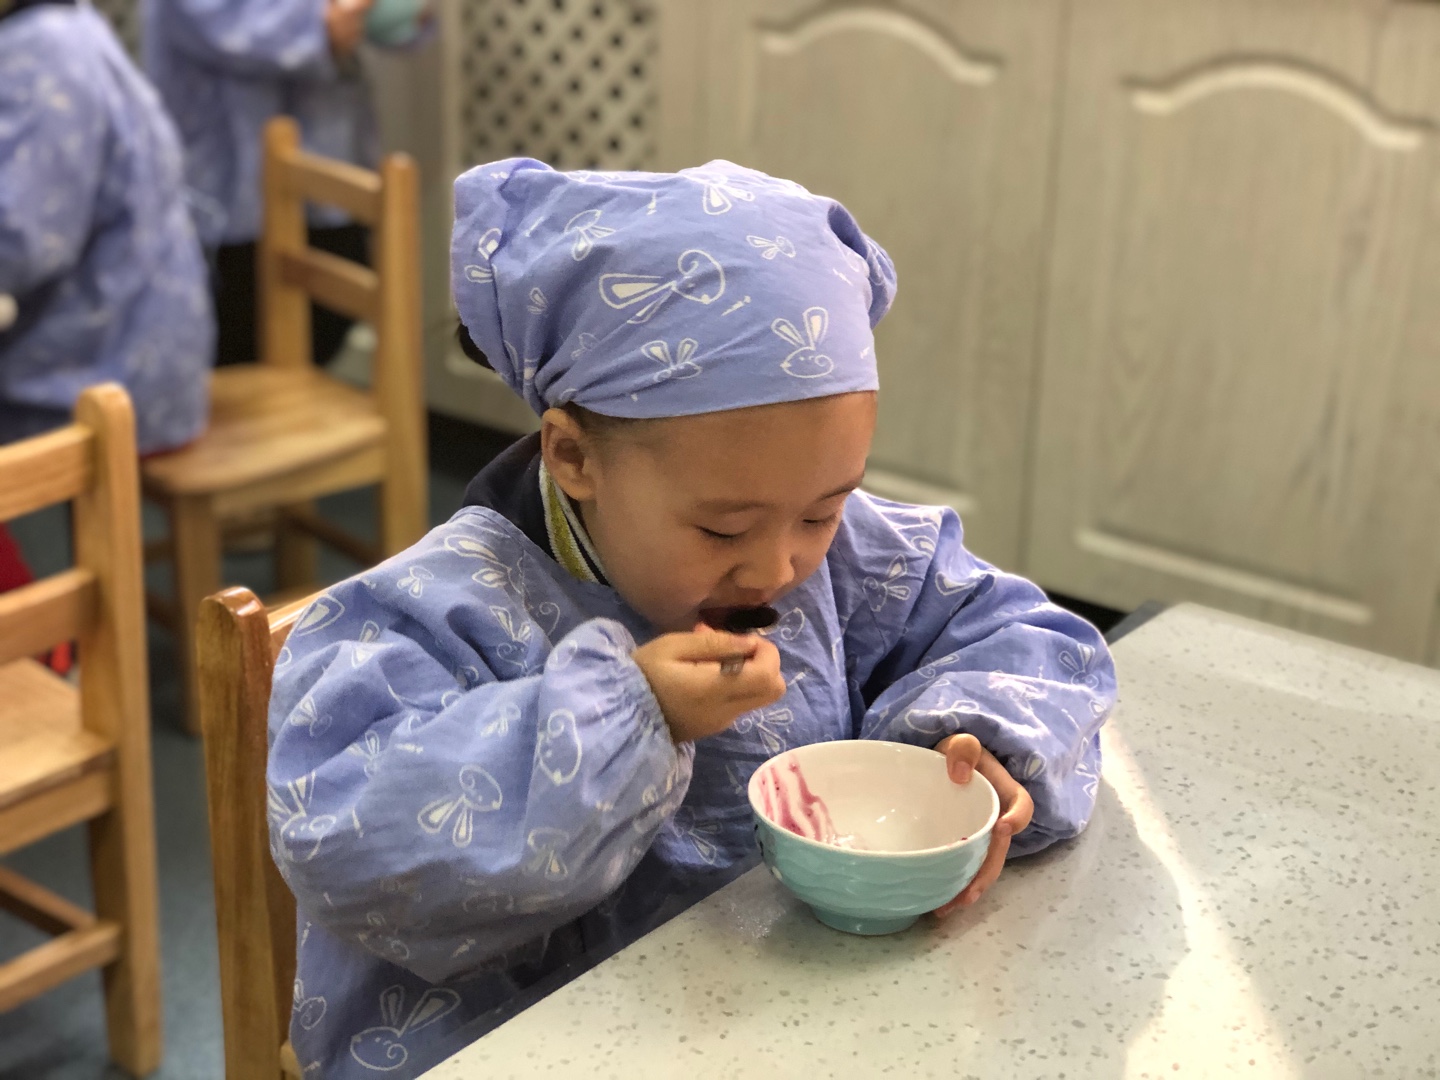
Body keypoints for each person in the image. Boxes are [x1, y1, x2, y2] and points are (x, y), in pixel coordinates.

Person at [268, 160, 1117, 1078]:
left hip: (783, 1017)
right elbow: (346, 836)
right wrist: (627, 719)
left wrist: (969, 742)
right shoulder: (439, 610)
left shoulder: (836, 551)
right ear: (573, 457)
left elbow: (1018, 635)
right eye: (723, 528)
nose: (780, 567)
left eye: (823, 509)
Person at [0, 0, 213, 455]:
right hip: (127, 350)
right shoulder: (57, 27)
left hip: (104, 381)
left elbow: (20, 244)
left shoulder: (40, 56)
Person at [141, 0, 379, 367]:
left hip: (325, 169)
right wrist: (318, 28)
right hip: (228, 184)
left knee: (325, 322)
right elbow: (222, 26)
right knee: (238, 332)